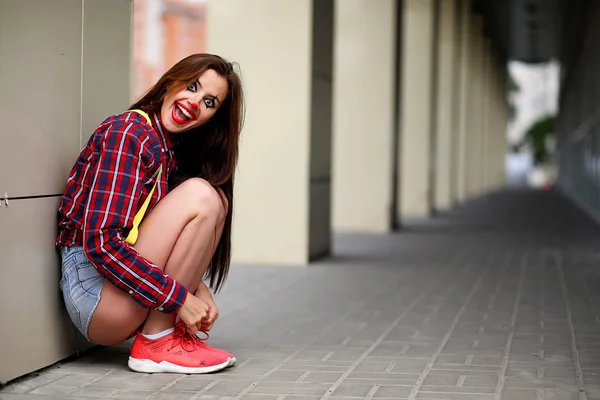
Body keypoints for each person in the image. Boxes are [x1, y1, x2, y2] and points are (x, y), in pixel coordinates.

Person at [55, 53, 244, 374]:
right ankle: (158, 340)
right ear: (171, 82)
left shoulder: (165, 146)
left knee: (215, 198)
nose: (195, 102)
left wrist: (197, 289)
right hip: (93, 293)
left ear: (212, 117)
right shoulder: (129, 134)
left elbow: (151, 231)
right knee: (201, 195)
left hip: (115, 289)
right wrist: (180, 298)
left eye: (209, 102)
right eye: (192, 86)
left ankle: (162, 336)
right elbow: (101, 242)